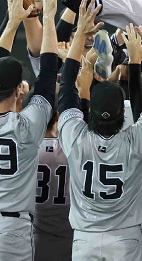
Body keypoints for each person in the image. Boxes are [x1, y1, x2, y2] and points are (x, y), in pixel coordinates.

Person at [57, 1, 142, 260]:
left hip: (85, 239)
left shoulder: (76, 137)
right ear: (124, 114)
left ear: (91, 111)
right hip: (125, 238)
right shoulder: (135, 138)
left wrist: (80, 35)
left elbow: (66, 91)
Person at [0, 0, 60, 261]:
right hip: (13, 228)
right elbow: (48, 75)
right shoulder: (27, 125)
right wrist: (47, 14)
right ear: (18, 89)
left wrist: (12, 22)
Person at [33, 96, 73, 261]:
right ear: (57, 116)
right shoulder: (72, 149)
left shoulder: (25, 150)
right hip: (67, 239)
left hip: (34, 239)